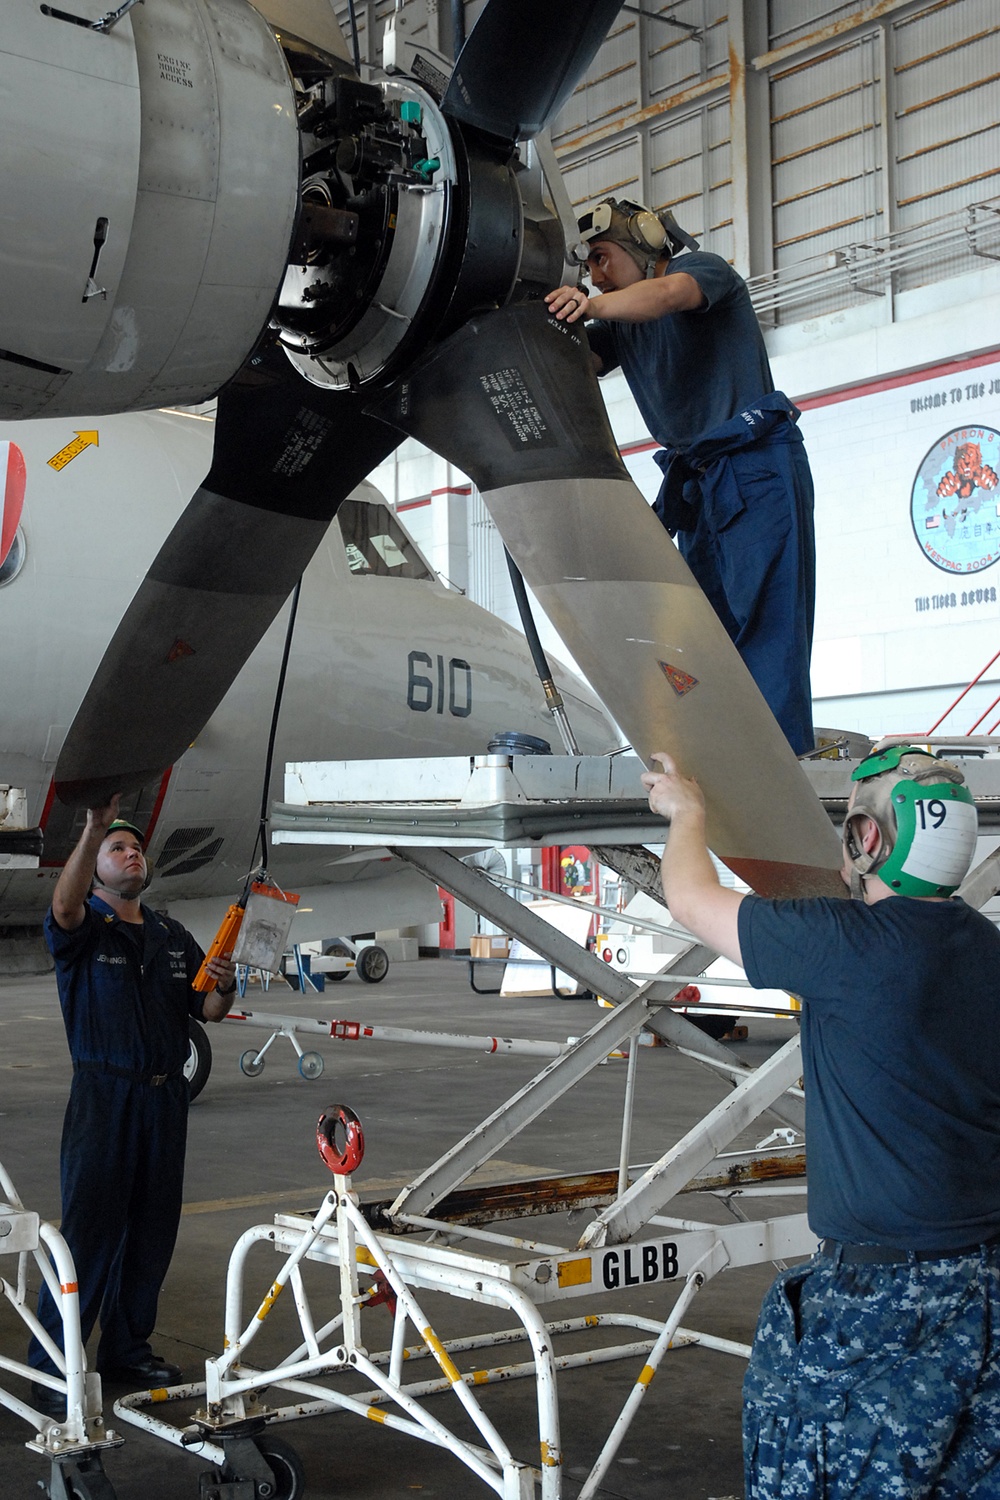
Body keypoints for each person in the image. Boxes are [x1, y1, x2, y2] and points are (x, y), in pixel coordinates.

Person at [640, 742, 1000, 1497]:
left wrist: (687, 813)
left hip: (881, 1311)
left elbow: (689, 898)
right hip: (985, 1293)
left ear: (867, 841)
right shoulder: (988, 950)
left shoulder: (847, 947)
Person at [545, 198, 817, 757]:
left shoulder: (703, 272)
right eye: (588, 265)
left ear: (646, 244)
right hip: (700, 485)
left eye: (602, 257)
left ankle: (777, 763)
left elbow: (667, 297)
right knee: (699, 633)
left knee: (767, 627)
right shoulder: (621, 322)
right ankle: (715, 759)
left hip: (755, 465)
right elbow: (577, 362)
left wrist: (592, 304)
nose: (595, 274)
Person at [28, 796, 236, 1416]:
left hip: (164, 1098)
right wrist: (92, 828)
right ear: (96, 867)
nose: (131, 853)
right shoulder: (85, 928)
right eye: (118, 849)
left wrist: (224, 980)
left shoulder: (173, 935)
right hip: (104, 1096)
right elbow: (62, 908)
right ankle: (53, 1366)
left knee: (150, 1230)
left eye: (135, 847)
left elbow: (208, 1011)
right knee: (89, 1232)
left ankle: (126, 1346)